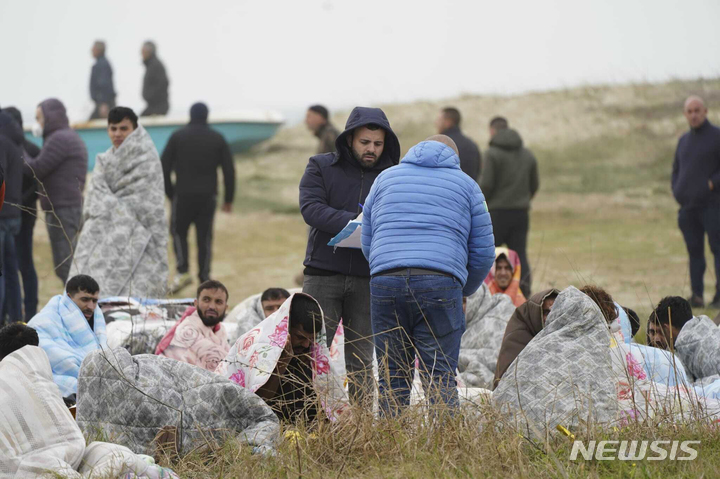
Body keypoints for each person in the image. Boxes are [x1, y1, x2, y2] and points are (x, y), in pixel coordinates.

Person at [361, 134, 494, 413]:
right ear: (454, 157)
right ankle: (445, 447)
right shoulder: (467, 186)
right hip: (441, 283)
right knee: (439, 376)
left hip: (386, 281)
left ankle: (388, 446)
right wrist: (463, 287)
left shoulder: (385, 178)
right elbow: (483, 252)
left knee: (391, 376)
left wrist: (384, 269)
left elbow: (367, 238)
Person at [299, 106, 400, 405]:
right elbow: (311, 208)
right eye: (365, 142)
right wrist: (355, 223)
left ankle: (361, 432)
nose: (371, 149)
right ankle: (303, 422)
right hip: (323, 275)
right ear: (350, 138)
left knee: (361, 362)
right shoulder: (319, 165)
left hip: (369, 279)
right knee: (309, 355)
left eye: (378, 144)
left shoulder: (392, 176)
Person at [69, 107, 168, 298]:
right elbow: (94, 198)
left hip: (144, 236)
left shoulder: (146, 159)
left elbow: (147, 202)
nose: (117, 134)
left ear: (135, 129)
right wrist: (116, 209)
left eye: (123, 128)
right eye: (113, 129)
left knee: (136, 296)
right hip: (103, 233)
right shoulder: (104, 161)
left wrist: (113, 210)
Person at [220, 292, 347, 423]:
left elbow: (329, 398)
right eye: (300, 337)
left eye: (311, 339)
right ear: (286, 328)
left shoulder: (310, 350)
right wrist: (283, 361)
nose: (306, 344)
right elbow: (258, 404)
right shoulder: (259, 345)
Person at [162, 102, 235, 292]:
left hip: (183, 195)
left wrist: (170, 193)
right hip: (207, 197)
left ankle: (183, 270)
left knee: (178, 232)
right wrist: (228, 199)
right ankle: (204, 277)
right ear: (206, 115)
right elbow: (229, 170)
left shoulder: (178, 136)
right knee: (205, 238)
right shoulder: (217, 138)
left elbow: (163, 166)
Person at [493, 285, 615, 389]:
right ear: (535, 313)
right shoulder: (519, 337)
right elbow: (507, 383)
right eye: (546, 312)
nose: (551, 317)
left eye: (555, 311)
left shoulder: (564, 338)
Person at [24, 99, 87, 284]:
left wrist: (18, 151)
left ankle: (83, 305)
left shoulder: (59, 139)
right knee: (70, 263)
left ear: (50, 117)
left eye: (39, 118)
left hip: (63, 210)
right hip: (68, 208)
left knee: (65, 266)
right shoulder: (65, 136)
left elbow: (36, 169)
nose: (38, 123)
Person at [480, 116, 538, 298]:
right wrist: (523, 199)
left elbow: (487, 184)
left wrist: (482, 203)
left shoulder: (491, 153)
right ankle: (524, 292)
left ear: (492, 131)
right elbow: (534, 184)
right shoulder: (527, 154)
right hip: (520, 213)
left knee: (490, 254)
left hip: (497, 212)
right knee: (519, 254)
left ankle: (488, 292)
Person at [672, 96, 720, 309]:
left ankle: (719, 296)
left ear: (705, 111)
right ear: (685, 114)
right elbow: (676, 170)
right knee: (694, 252)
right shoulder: (683, 140)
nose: (693, 114)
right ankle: (697, 296)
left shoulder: (717, 136)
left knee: (718, 248)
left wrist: (712, 184)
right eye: (689, 111)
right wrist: (677, 190)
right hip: (688, 208)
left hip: (713, 206)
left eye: (697, 110)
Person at [27, 274, 106, 399]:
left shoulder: (97, 319)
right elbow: (47, 351)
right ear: (69, 298)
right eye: (85, 300)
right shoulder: (44, 321)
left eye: (94, 301)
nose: (91, 307)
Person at [3, 107, 41, 320]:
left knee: (22, 264)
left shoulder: (26, 150)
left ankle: (29, 311)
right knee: (17, 264)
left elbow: (36, 184)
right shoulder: (27, 147)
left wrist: (18, 204)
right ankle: (20, 311)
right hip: (21, 213)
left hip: (22, 215)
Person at [156, 280, 231, 371]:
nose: (212, 306)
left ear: (226, 308)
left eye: (218, 302)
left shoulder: (220, 330)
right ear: (196, 303)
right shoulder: (187, 329)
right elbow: (226, 366)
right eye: (206, 300)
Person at [0, 112, 24, 324]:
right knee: (10, 270)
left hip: (2, 214)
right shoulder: (14, 143)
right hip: (13, 214)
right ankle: (16, 319)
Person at [435, 107, 481, 180]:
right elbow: (478, 172)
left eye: (439, 120)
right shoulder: (472, 145)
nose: (436, 123)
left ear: (448, 122)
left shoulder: (440, 144)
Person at [140, 41, 170, 116]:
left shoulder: (155, 65)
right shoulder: (152, 65)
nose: (141, 54)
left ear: (149, 51)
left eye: (143, 51)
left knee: (139, 123)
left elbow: (163, 83)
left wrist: (150, 96)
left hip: (158, 106)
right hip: (153, 105)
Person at [88, 40, 116, 120]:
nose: (91, 50)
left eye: (93, 48)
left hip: (104, 104)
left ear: (98, 50)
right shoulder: (101, 64)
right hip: (102, 103)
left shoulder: (102, 65)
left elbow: (104, 84)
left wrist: (104, 103)